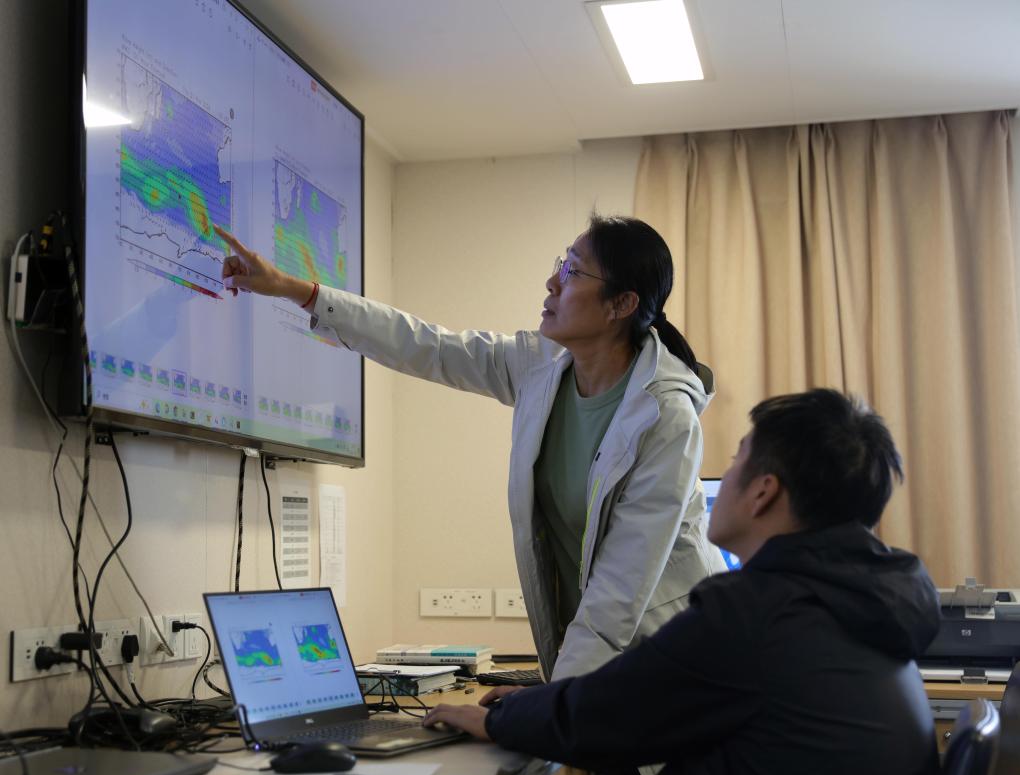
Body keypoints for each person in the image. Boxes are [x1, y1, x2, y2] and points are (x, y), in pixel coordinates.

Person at [215, 217, 725, 684]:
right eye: (560, 263)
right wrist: (295, 290)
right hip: (596, 671)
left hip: (674, 664)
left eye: (573, 271)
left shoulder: (665, 417)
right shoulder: (542, 367)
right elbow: (429, 346)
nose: (552, 281)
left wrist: (550, 706)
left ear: (621, 304)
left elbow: (619, 592)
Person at [424, 388, 942, 775]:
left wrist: (494, 719)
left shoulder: (759, 612)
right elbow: (630, 696)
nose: (723, 474)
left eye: (737, 458)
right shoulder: (858, 602)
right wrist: (540, 702)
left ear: (763, 491)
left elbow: (607, 714)